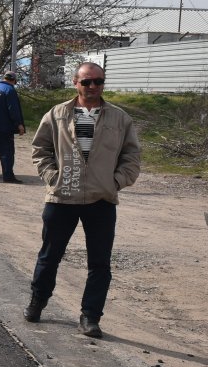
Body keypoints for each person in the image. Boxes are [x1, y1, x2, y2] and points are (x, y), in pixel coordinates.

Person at [23, 62, 141, 338]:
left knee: (99, 263)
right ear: (75, 82)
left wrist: (116, 182)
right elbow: (40, 149)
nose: (93, 87)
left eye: (98, 81)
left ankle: (90, 316)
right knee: (50, 256)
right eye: (86, 82)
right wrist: (53, 177)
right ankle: (37, 302)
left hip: (101, 200)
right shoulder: (57, 114)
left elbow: (131, 156)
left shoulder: (119, 118)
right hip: (62, 198)